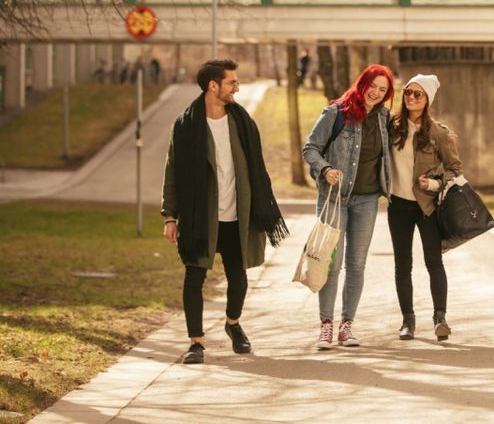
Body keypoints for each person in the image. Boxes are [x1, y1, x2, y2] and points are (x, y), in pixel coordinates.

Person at [161, 59, 288, 363]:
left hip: (237, 214)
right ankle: (196, 343)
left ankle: (233, 324)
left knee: (238, 277)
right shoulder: (186, 124)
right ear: (212, 86)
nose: (237, 87)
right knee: (194, 278)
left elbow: (257, 167)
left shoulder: (242, 122)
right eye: (232, 82)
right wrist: (170, 216)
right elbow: (173, 171)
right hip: (200, 217)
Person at [303, 64, 394, 349]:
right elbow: (310, 148)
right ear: (362, 83)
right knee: (331, 262)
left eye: (383, 90)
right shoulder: (337, 113)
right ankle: (326, 326)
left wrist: (442, 136)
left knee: (357, 264)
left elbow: (410, 137)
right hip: (335, 198)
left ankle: (346, 326)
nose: (377, 93)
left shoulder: (384, 118)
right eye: (373, 86)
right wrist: (325, 168)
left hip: (367, 200)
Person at [387, 74, 462, 341]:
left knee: (434, 262)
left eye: (417, 94)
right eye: (408, 92)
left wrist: (434, 183)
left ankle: (440, 318)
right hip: (398, 205)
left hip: (428, 207)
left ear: (427, 99)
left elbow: (455, 170)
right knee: (402, 265)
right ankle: (408, 321)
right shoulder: (391, 126)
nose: (410, 97)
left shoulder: (439, 133)